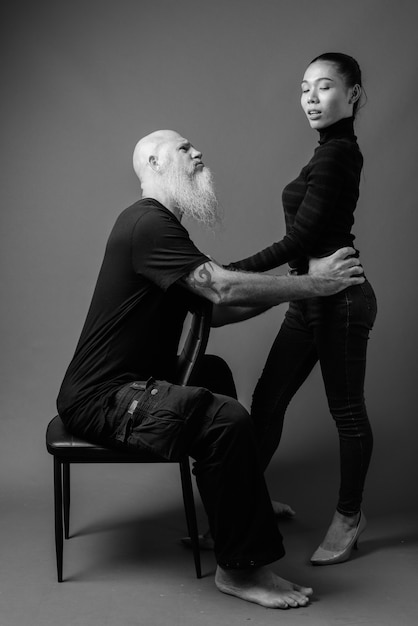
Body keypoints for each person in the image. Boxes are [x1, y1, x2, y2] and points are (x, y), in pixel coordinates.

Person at [57, 128, 364, 608]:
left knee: (214, 374)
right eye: (184, 149)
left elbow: (215, 309)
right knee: (225, 419)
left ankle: (243, 505)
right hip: (104, 397)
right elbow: (221, 289)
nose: (198, 152)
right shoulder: (145, 223)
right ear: (155, 164)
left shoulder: (163, 230)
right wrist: (313, 286)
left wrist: (301, 282)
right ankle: (240, 572)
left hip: (135, 383)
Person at [228, 53, 377, 565]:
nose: (311, 99)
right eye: (304, 89)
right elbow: (304, 244)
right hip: (308, 298)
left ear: (353, 94)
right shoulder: (326, 153)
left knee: (347, 412)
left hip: (340, 302)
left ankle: (349, 516)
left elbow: (304, 238)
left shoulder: (338, 154)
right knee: (267, 404)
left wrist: (229, 272)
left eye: (326, 87)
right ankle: (246, 508)